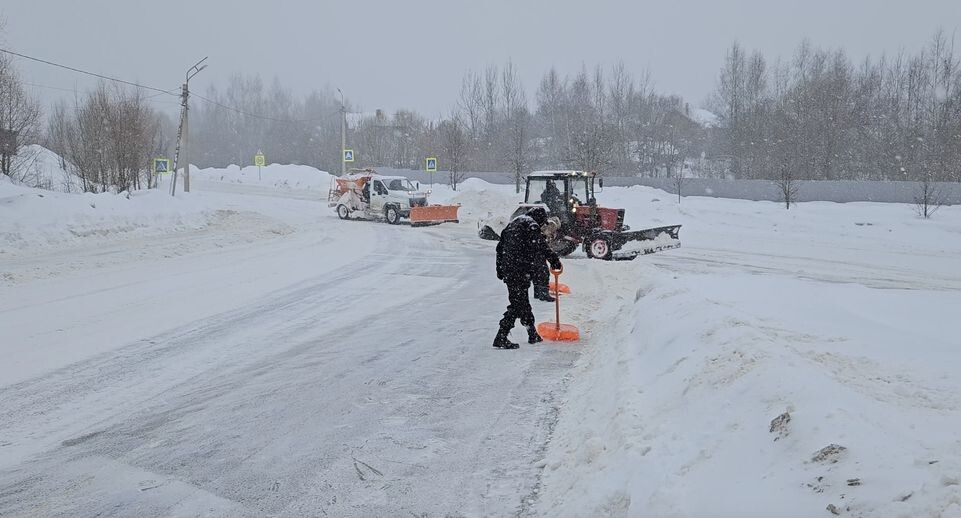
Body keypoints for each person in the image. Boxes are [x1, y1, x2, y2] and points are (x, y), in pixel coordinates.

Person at [494, 207, 562, 349]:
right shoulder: (531, 225)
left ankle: (532, 333)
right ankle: (501, 336)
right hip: (519, 269)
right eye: (542, 223)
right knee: (517, 304)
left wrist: (499, 268)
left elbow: (500, 248)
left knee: (522, 301)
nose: (542, 226)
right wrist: (554, 260)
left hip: (510, 270)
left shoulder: (513, 223)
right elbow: (540, 245)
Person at [533, 217, 561, 302]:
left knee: (537, 272)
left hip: (533, 253)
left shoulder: (537, 230)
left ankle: (537, 293)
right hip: (537, 253)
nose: (552, 232)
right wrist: (553, 259)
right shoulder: (548, 226)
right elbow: (545, 247)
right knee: (543, 272)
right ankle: (543, 294)